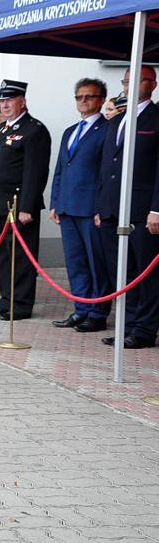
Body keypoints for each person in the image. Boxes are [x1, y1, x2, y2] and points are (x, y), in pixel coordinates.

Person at [95, 66, 159, 349]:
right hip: (112, 209)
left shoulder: (155, 118)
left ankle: (145, 330)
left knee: (146, 273)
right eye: (125, 80)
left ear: (152, 84)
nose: (129, 85)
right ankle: (128, 325)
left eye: (137, 80)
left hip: (142, 210)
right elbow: (106, 167)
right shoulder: (116, 121)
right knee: (124, 272)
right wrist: (100, 205)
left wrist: (156, 209)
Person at [0, 80, 51, 320]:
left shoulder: (34, 129)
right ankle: (6, 299)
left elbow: (35, 172)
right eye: (2, 100)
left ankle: (20, 304)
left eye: (10, 99)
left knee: (20, 257)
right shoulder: (0, 129)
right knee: (1, 256)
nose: (5, 104)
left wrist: (27, 206)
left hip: (18, 206)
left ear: (23, 102)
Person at [49, 78, 111, 332]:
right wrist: (55, 201)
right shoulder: (70, 131)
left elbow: (107, 174)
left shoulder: (108, 130)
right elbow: (61, 169)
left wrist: (101, 207)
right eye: (79, 97)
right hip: (67, 206)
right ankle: (81, 308)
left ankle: (97, 312)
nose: (83, 101)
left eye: (89, 97)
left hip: (90, 209)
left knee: (96, 262)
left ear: (101, 100)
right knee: (75, 262)